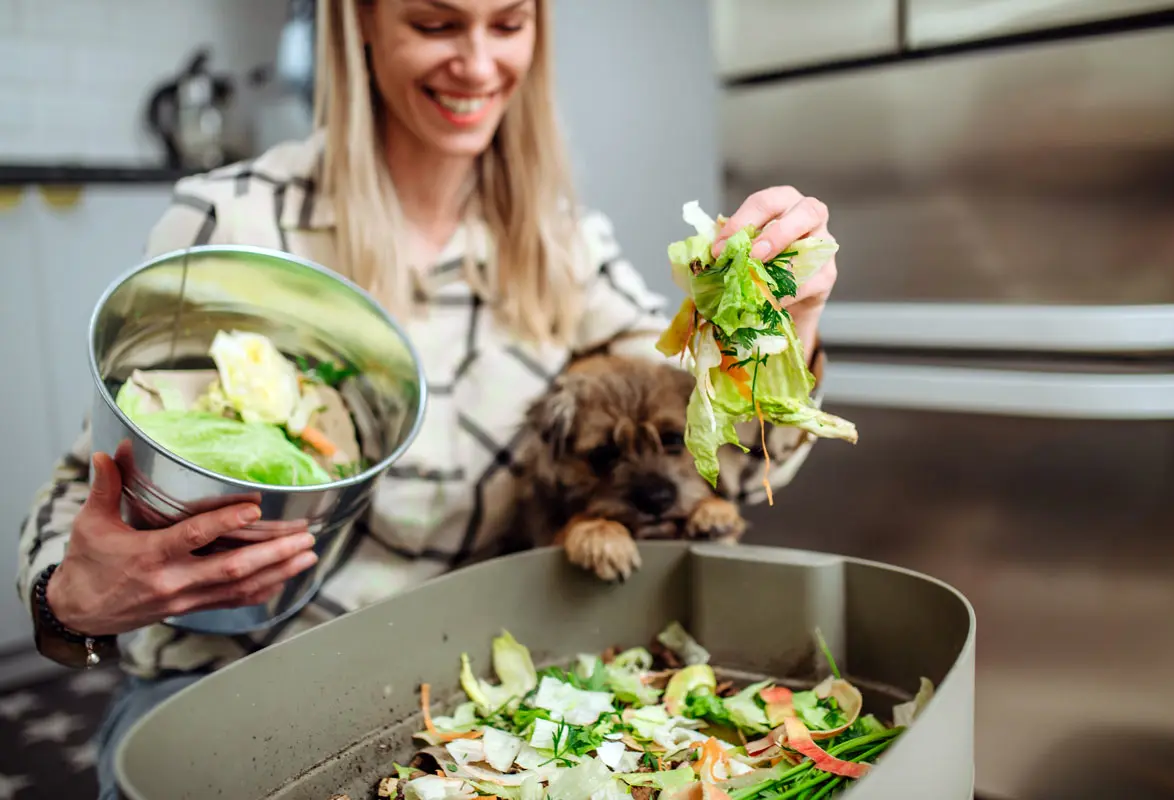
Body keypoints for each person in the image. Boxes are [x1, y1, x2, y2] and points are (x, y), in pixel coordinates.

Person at [15, 0, 839, 796]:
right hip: (234, 689)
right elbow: (90, 491)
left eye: (509, 23)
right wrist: (71, 606)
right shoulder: (236, 219)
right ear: (362, 21)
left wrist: (777, 330)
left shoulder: (564, 247)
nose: (478, 63)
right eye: (435, 22)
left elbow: (707, 456)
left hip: (462, 694)